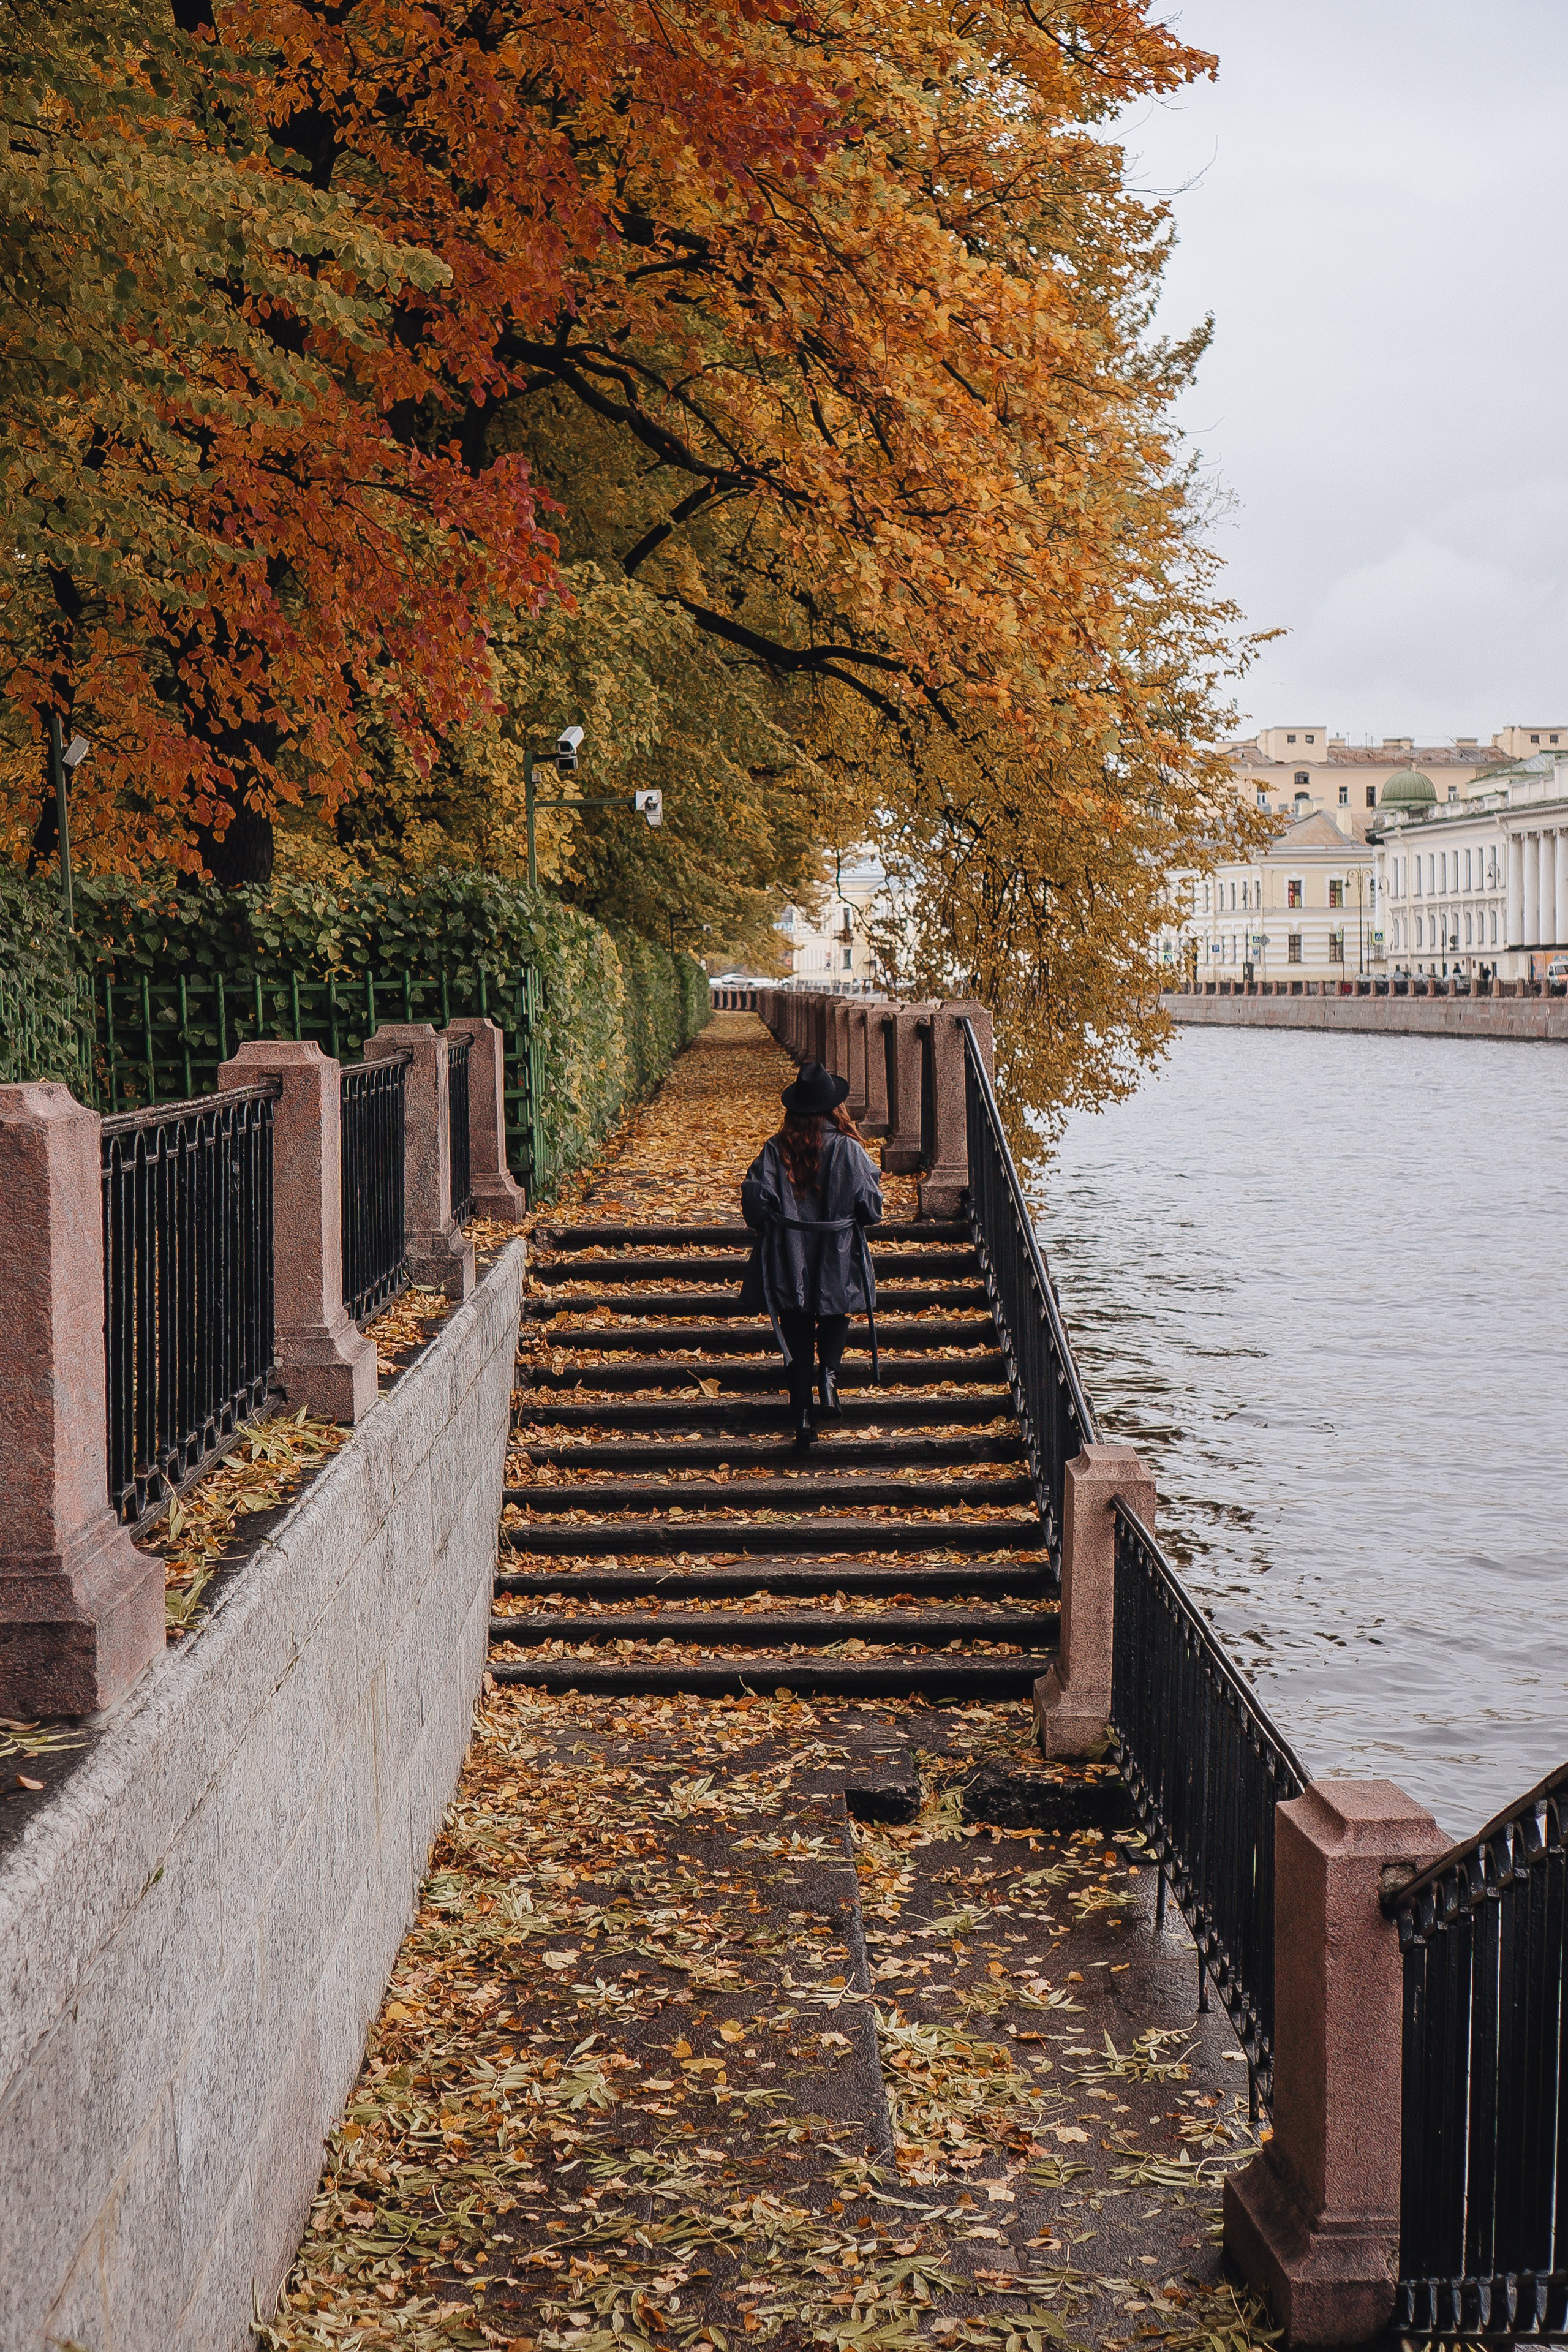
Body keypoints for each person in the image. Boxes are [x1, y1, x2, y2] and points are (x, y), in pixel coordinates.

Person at [740, 1060, 883, 1451]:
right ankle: (830, 1379)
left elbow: (754, 1204)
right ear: (835, 1107)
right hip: (837, 1251)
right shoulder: (850, 1150)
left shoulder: (775, 1149)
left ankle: (802, 1416)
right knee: (837, 1310)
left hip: (790, 1251)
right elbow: (871, 1208)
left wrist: (777, 1218)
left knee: (798, 1328)